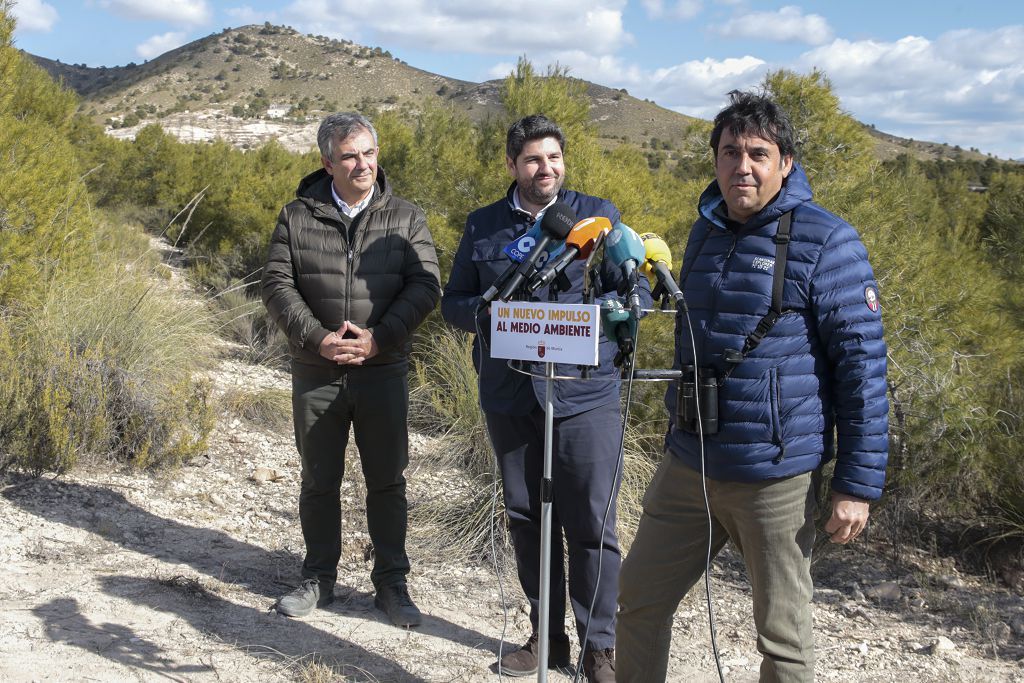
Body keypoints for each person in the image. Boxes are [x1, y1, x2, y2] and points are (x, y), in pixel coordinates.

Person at [616, 91, 889, 682]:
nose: (743, 166)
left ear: (785, 163)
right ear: (715, 159)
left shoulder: (827, 241)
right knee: (637, 601)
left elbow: (862, 370)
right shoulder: (705, 232)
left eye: (759, 154)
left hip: (775, 475)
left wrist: (855, 486)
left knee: (783, 639)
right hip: (690, 462)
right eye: (730, 152)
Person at [441, 114, 649, 682]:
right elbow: (451, 301)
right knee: (527, 517)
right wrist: (487, 311)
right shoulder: (485, 225)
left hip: (587, 394)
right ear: (512, 166)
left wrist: (617, 295)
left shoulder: (598, 214)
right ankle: (548, 636)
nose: (546, 169)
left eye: (554, 158)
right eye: (533, 159)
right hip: (510, 393)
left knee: (591, 520)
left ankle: (598, 647)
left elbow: (638, 289)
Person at [261, 112, 441, 627]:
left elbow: (426, 286)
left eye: (368, 153)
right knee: (319, 478)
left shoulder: (406, 217)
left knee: (387, 480)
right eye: (349, 156)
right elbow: (276, 284)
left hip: (382, 369)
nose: (362, 165)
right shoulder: (296, 215)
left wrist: (378, 339)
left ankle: (392, 584)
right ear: (327, 162)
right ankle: (319, 578)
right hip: (316, 371)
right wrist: (317, 340)